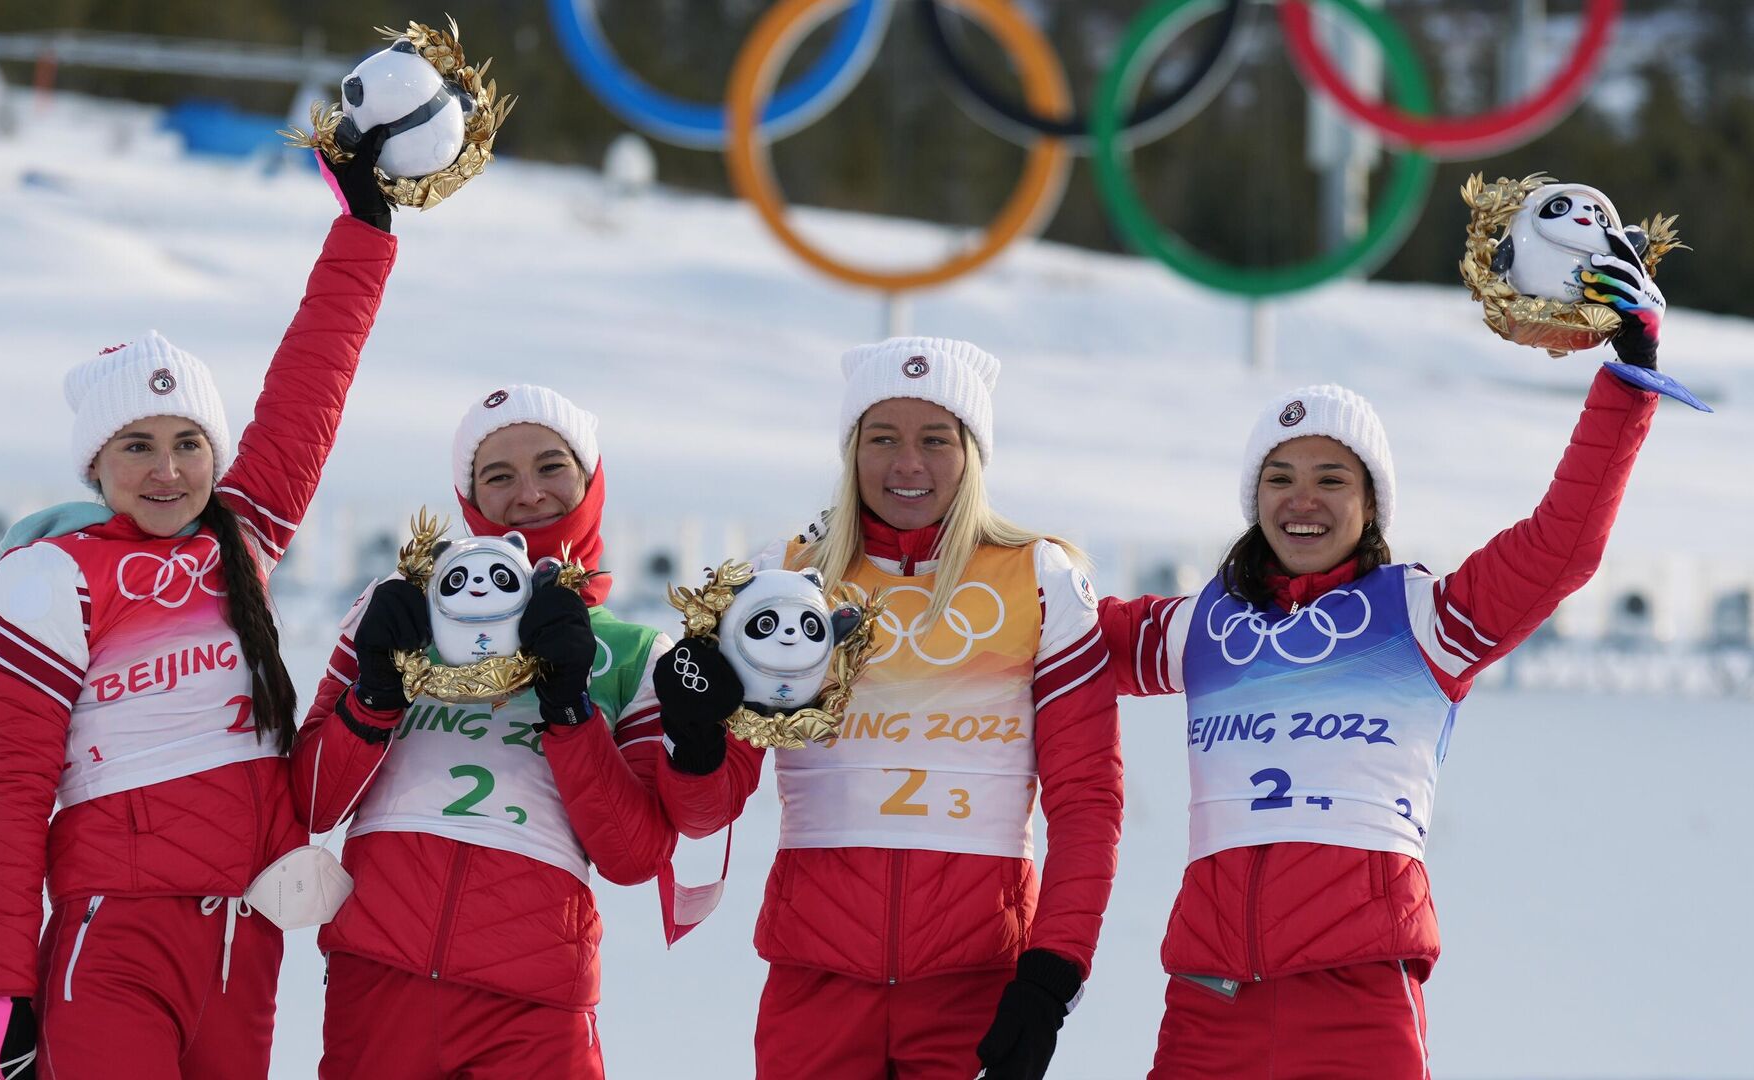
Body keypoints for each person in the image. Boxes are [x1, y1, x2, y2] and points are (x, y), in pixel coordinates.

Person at [1097, 244, 1676, 1078]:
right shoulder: (1200, 627)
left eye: (1332, 479)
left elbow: (1561, 548)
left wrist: (1628, 382)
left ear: (1371, 505)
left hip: (1357, 1003)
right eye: (1280, 478)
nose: (1302, 500)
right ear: (1252, 499)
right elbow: (1051, 633)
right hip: (1207, 1004)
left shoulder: (1426, 620)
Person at [0, 132, 401, 1079]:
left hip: (247, 944)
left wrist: (364, 231)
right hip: (116, 942)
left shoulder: (238, 540)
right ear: (95, 462)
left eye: (187, 442)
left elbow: (308, 388)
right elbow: (10, 796)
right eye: (136, 446)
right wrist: (3, 987)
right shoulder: (51, 578)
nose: (167, 470)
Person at [651, 338, 1121, 1080]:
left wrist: (1054, 972)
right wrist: (695, 738)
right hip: (817, 983)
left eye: (936, 439)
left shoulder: (1039, 579)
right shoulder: (784, 578)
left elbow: (1087, 801)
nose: (909, 464)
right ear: (851, 451)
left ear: (973, 454)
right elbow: (707, 811)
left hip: (974, 987)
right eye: (883, 439)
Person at [292, 384, 677, 1079]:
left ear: (591, 481)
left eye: (551, 466)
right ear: (470, 499)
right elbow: (311, 801)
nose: (528, 493)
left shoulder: (632, 652)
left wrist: (570, 712)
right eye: (498, 475)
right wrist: (374, 695)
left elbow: (634, 855)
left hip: (535, 1003)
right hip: (381, 978)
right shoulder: (401, 610)